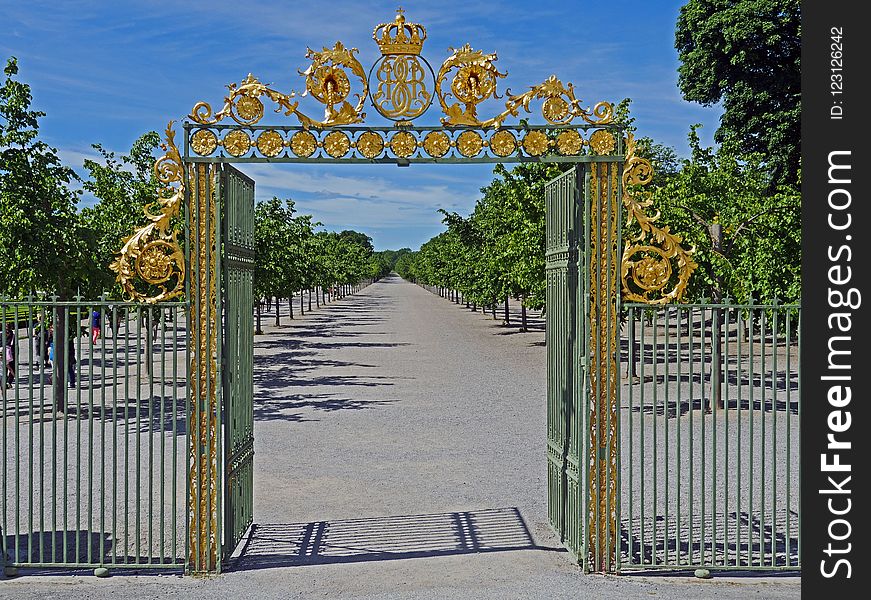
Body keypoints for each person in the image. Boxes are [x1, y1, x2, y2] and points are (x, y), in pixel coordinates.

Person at [3, 323, 15, 389]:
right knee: (12, 369)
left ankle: (6, 382)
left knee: (5, 369)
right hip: (11, 354)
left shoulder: (2, 334)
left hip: (4, 354)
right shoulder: (13, 335)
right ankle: (8, 382)